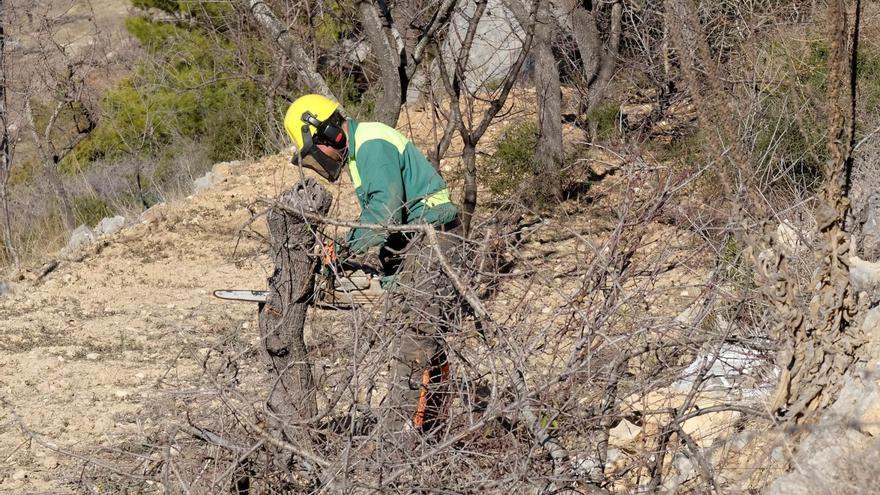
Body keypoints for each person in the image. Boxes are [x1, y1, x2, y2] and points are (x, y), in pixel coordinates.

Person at [283, 93, 463, 434]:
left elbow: (384, 210)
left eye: (315, 151)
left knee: (415, 340)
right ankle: (430, 426)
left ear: (329, 134)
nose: (319, 160)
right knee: (418, 336)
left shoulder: (371, 143)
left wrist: (345, 249)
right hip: (417, 240)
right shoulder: (361, 152)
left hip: (432, 236)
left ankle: (401, 436)